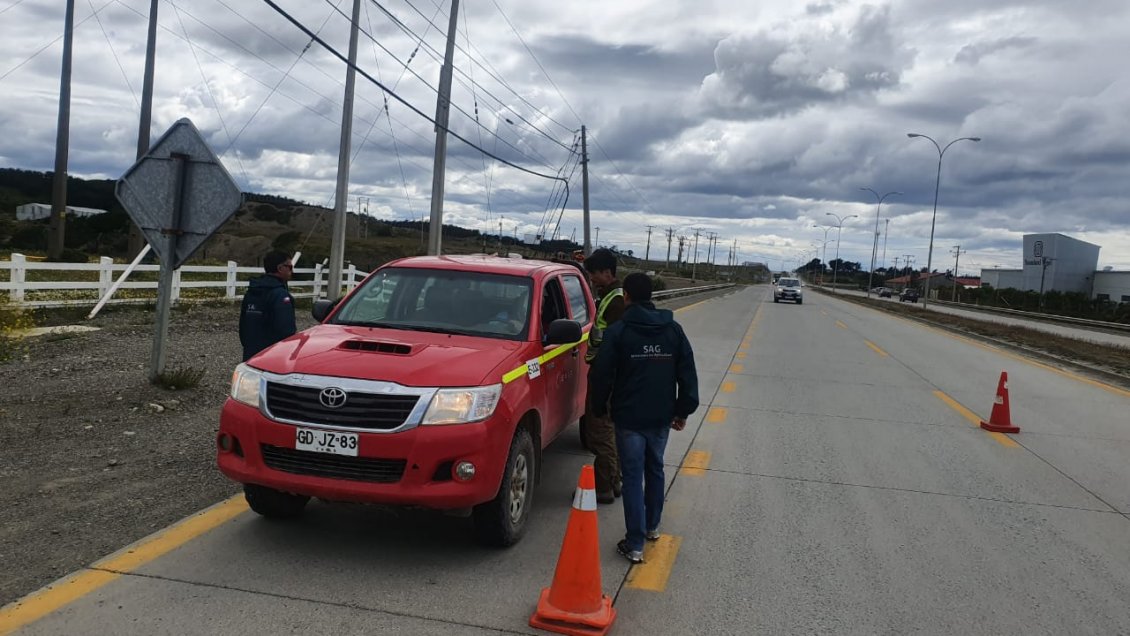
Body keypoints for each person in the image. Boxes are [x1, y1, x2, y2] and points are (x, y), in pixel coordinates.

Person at [590, 272, 699, 564]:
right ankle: (652, 527)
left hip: (629, 418)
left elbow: (601, 375)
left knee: (633, 475)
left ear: (626, 296)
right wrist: (682, 410)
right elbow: (687, 374)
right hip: (661, 416)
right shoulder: (673, 331)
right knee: (655, 469)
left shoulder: (619, 332)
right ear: (651, 296)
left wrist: (598, 407)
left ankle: (634, 542)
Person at [582, 248, 626, 504]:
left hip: (606, 376)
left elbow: (613, 344)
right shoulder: (608, 297)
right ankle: (614, 482)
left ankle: (605, 487)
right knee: (608, 430)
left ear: (607, 272)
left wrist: (604, 378)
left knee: (601, 430)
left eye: (594, 274)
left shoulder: (616, 301)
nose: (591, 278)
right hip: (604, 373)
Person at [239, 251, 297, 361]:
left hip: (250, 352)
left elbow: (243, 325)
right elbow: (286, 330)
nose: (292, 270)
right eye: (289, 267)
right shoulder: (280, 295)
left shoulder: (252, 291)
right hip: (273, 354)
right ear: (280, 268)